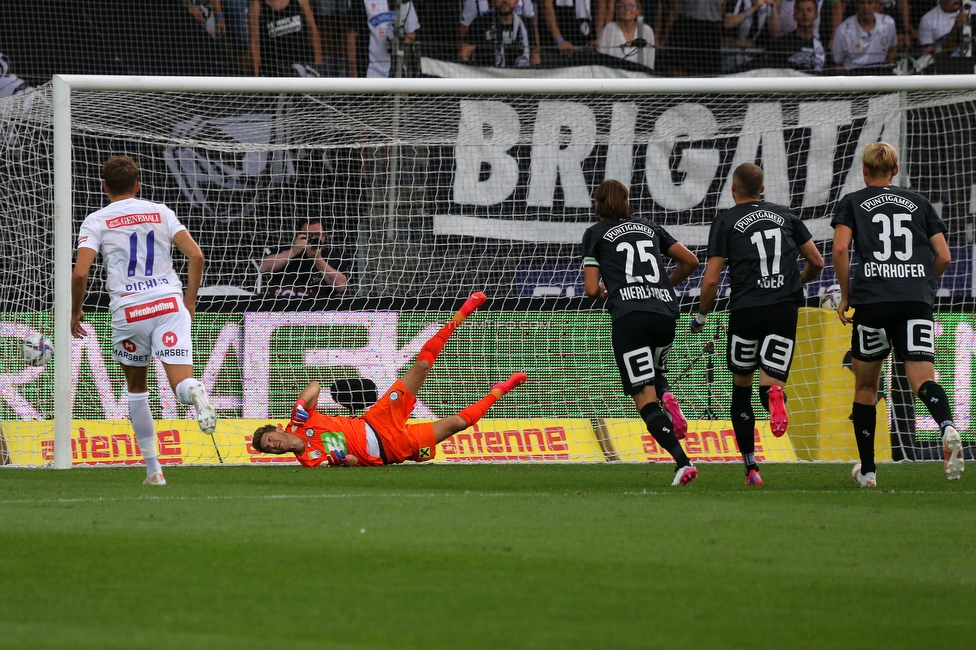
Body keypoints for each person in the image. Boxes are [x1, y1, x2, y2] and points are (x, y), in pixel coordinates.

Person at [70, 156, 217, 486]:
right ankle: (193, 390)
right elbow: (196, 255)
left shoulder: (96, 220)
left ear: (104, 186)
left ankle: (154, 471)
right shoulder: (161, 211)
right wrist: (189, 301)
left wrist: (75, 311)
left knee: (137, 390)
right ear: (138, 185)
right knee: (180, 382)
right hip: (169, 304)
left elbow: (81, 273)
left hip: (130, 312)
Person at [251, 292, 528, 466]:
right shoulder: (309, 462)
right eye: (270, 449)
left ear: (277, 430)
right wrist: (343, 462)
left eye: (271, 440)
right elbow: (351, 462)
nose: (274, 445)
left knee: (420, 365)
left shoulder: (300, 421)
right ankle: (499, 391)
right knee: (457, 423)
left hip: (378, 419)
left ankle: (461, 313)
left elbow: (315, 385)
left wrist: (300, 406)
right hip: (391, 450)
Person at [831, 142, 964, 486]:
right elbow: (945, 256)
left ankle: (869, 471)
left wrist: (846, 295)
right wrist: (920, 283)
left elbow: (841, 247)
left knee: (865, 387)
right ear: (896, 169)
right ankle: (947, 425)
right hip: (914, 300)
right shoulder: (920, 203)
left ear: (864, 170)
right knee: (923, 380)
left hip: (873, 302)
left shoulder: (852, 202)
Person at [692, 163, 824, 486]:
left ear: (733, 188)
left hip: (746, 310)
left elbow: (711, 280)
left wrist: (701, 315)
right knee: (770, 385)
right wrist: (795, 285)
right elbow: (818, 262)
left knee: (741, 391)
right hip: (783, 310)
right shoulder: (786, 216)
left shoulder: (725, 221)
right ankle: (776, 399)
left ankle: (752, 468)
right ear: (762, 189)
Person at [582, 180, 702, 486]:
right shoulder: (649, 226)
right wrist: (665, 287)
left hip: (630, 317)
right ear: (626, 202)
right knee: (656, 370)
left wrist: (608, 293)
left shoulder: (595, 234)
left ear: (598, 205)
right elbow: (691, 260)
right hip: (665, 314)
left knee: (644, 399)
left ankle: (683, 463)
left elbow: (592, 288)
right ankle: (669, 394)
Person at [259, 218, 347, 298]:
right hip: (281, 311)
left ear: (324, 236)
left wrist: (317, 259)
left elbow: (340, 286)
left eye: (317, 234)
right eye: (308, 234)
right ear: (298, 234)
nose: (313, 238)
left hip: (317, 313)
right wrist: (293, 251)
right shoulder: (283, 251)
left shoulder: (334, 258)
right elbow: (263, 267)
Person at [346, 0, 420, 78]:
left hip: (398, 70)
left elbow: (412, 33)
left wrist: (398, 42)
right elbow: (351, 37)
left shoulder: (405, 2)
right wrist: (353, 73)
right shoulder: (363, 2)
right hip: (369, 71)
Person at [249, 0, 323, 77]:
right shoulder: (256, 6)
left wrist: (317, 64)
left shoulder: (301, 1)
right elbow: (255, 43)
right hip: (273, 70)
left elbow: (312, 29)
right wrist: (256, 77)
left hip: (303, 65)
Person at [460, 0, 542, 64]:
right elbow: (464, 54)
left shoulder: (527, 24)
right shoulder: (480, 23)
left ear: (517, 2)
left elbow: (534, 56)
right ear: (493, 1)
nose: (505, 1)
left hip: (519, 80)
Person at [661, 0, 726, 76]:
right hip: (686, 29)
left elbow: (722, 10)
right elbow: (675, 8)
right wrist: (664, 38)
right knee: (678, 72)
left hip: (708, 33)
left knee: (706, 76)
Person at [831, 0, 896, 70]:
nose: (866, 7)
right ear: (856, 4)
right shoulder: (842, 30)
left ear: (876, 4)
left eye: (869, 3)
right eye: (862, 3)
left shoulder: (889, 23)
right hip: (853, 75)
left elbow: (892, 50)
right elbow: (838, 63)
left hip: (879, 73)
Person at [767, 0, 825, 70]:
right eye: (800, 10)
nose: (805, 14)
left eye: (809, 10)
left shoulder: (822, 47)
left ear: (816, 16)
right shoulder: (780, 45)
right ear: (794, 15)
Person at [597, 0, 656, 69]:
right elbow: (600, 63)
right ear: (617, 9)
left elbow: (650, 64)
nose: (627, 8)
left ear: (638, 11)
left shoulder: (646, 31)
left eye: (631, 5)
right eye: (622, 5)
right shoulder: (608, 29)